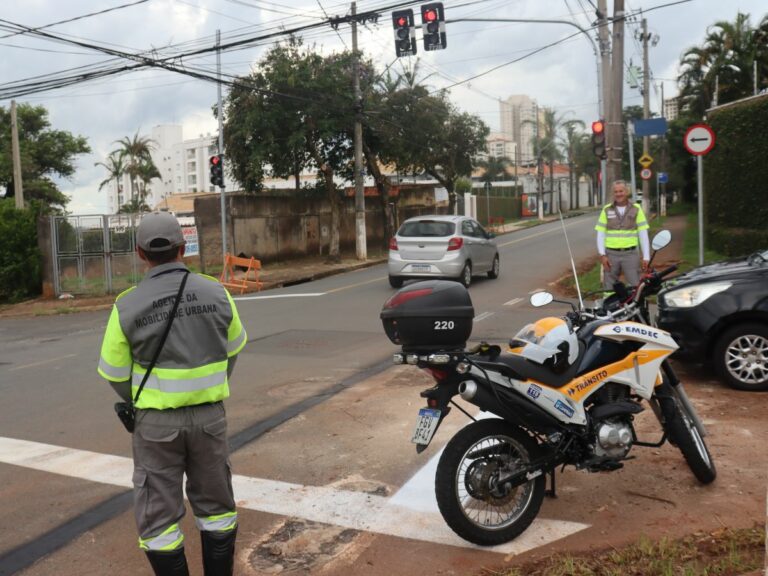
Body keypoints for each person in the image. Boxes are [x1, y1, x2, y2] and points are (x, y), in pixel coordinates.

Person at [97, 212, 246, 576]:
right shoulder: (217, 291)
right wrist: (209, 386)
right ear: (183, 249)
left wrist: (141, 400)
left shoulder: (126, 305)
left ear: (140, 253)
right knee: (218, 509)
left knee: (159, 520)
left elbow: (115, 373)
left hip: (155, 426)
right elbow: (234, 348)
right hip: (210, 419)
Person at [595, 180, 650, 290]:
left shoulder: (636, 209)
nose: (618, 194)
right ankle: (609, 306)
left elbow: (643, 234)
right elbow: (600, 234)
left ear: (627, 192)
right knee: (609, 287)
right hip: (611, 255)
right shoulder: (606, 210)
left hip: (630, 254)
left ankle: (634, 307)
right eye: (616, 192)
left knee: (635, 286)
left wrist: (646, 256)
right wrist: (602, 255)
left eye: (621, 191)